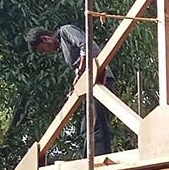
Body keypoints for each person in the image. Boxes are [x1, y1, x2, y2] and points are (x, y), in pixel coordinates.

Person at [25, 25, 114, 156]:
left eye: (44, 49)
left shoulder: (66, 31)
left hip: (100, 78)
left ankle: (99, 160)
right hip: (90, 82)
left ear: (45, 38)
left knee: (96, 123)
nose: (47, 52)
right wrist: (76, 88)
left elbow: (85, 46)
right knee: (86, 127)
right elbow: (80, 65)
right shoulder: (63, 46)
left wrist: (79, 74)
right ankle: (88, 160)